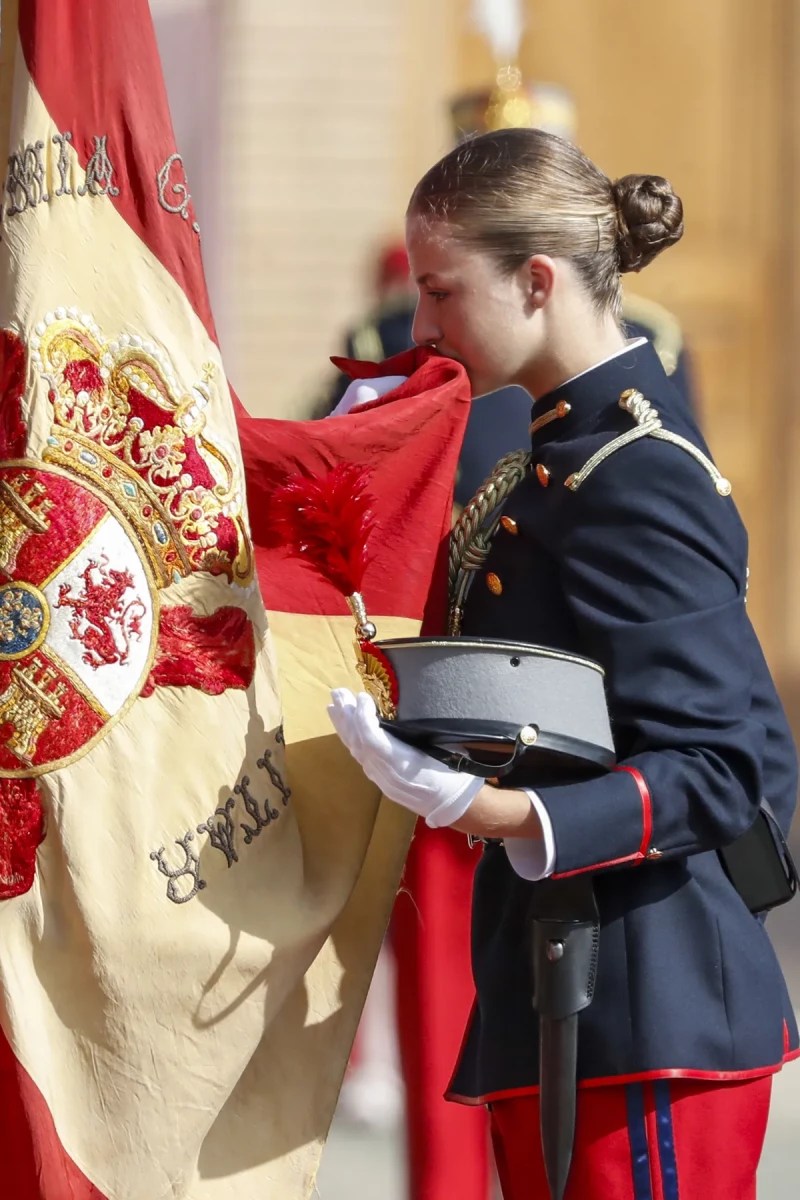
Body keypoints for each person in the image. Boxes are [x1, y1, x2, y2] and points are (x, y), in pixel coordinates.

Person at [328, 126, 799, 1198]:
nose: (423, 324)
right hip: (566, 987)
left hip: (647, 997)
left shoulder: (635, 473)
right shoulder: (553, 459)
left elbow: (726, 766)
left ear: (534, 281)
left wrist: (493, 815)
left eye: (442, 292)